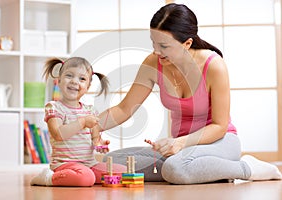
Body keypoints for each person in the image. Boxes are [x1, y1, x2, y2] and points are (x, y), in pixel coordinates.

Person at [92, 3, 282, 184]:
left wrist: (181, 143)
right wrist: (91, 126)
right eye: (154, 43)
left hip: (218, 142)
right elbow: (125, 109)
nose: (156, 52)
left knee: (175, 168)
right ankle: (199, 171)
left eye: (164, 46)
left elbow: (220, 126)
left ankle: (246, 167)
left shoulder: (213, 66)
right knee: (111, 161)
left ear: (187, 43)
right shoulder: (153, 63)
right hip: (178, 150)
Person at [30, 57, 126, 187]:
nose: (74, 81)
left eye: (82, 79)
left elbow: (94, 136)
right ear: (59, 80)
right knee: (86, 178)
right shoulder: (53, 107)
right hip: (64, 165)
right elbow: (58, 134)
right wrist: (82, 122)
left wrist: (99, 143)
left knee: (123, 172)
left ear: (87, 86)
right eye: (69, 76)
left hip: (89, 164)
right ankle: (48, 178)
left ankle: (81, 176)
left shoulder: (90, 110)